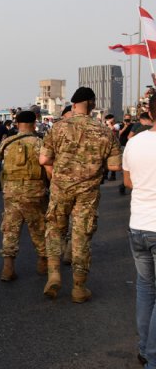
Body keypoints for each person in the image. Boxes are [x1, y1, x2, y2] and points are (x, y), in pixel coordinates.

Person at [39, 87, 122, 302]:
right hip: (88, 192)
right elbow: (115, 166)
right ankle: (78, 287)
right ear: (92, 105)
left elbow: (44, 160)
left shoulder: (57, 128)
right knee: (81, 235)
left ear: (74, 104)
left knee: (55, 230)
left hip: (60, 189)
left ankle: (54, 273)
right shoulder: (104, 131)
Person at [0, 111, 48, 281]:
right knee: (38, 227)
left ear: (16, 124)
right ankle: (42, 262)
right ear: (34, 123)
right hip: (34, 191)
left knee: (10, 229)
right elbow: (48, 163)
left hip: (11, 192)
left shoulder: (8, 142)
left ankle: (8, 268)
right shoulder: (40, 143)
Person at [123, 94, 156, 368]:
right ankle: (153, 358)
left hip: (139, 225)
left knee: (146, 288)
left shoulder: (134, 143)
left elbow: (128, 181)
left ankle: (145, 349)